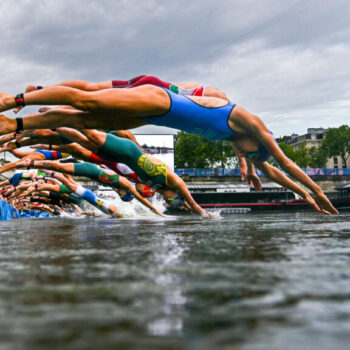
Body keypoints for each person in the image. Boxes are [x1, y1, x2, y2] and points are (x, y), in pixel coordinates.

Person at [0, 83, 337, 215]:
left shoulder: (239, 142)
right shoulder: (251, 123)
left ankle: (13, 126)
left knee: (83, 119)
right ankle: (17, 100)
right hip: (159, 99)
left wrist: (302, 196)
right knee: (85, 99)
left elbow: (271, 170)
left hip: (154, 117)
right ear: (258, 142)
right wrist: (314, 191)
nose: (246, 157)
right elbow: (283, 161)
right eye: (250, 154)